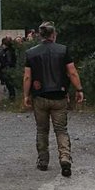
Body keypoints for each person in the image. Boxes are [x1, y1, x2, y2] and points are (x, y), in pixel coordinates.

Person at [23, 21, 83, 177]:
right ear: (53, 34)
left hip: (40, 95)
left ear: (40, 36)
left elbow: (27, 76)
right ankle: (65, 157)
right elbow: (72, 72)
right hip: (59, 95)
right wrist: (79, 89)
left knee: (42, 130)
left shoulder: (31, 53)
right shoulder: (63, 50)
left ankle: (43, 161)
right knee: (61, 129)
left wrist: (26, 95)